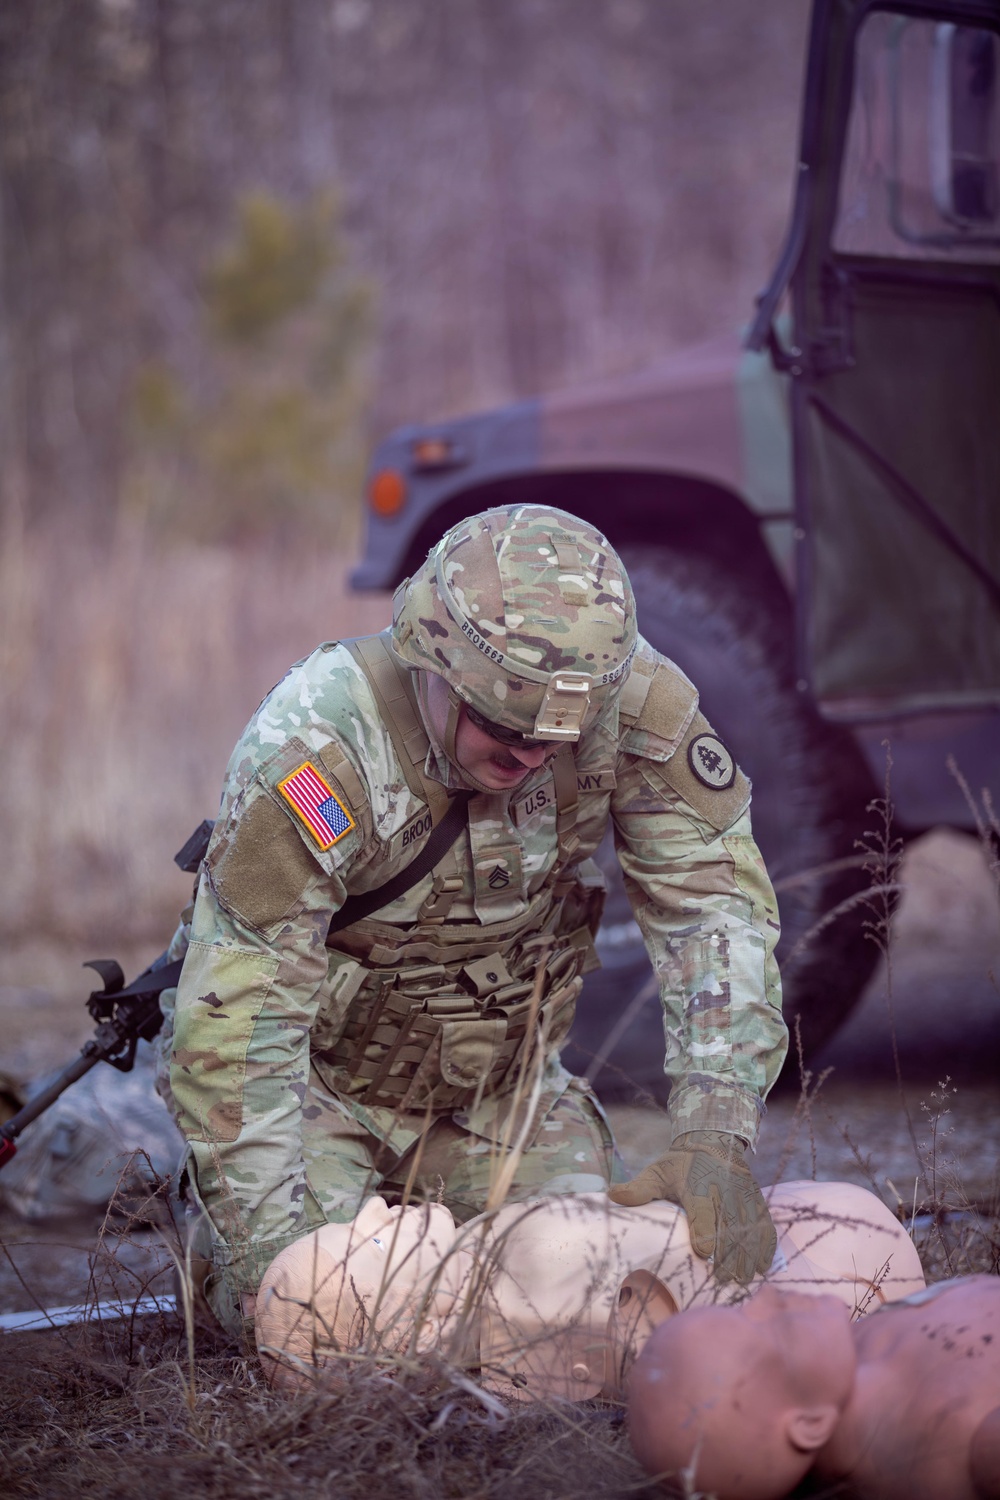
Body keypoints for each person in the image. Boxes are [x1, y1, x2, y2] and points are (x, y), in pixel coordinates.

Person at [156, 504, 788, 1334]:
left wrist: (716, 1131)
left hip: (500, 1099)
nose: (527, 756)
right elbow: (240, 1016)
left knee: (597, 1299)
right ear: (432, 664)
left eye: (557, 739)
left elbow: (715, 915)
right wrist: (270, 1254)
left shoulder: (633, 705)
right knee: (312, 1315)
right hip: (322, 1094)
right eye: (500, 727)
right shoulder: (322, 742)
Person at [253, 1181, 925, 1400]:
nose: (378, 1207)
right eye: (366, 1242)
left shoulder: (498, 1258)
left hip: (837, 1239)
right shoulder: (523, 1290)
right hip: (849, 1269)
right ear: (403, 1335)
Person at [627, 1275, 1000, 1500]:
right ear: (809, 1425)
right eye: (776, 1329)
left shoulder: (848, 1357)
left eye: (742, 1307)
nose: (768, 1293)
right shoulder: (969, 1441)